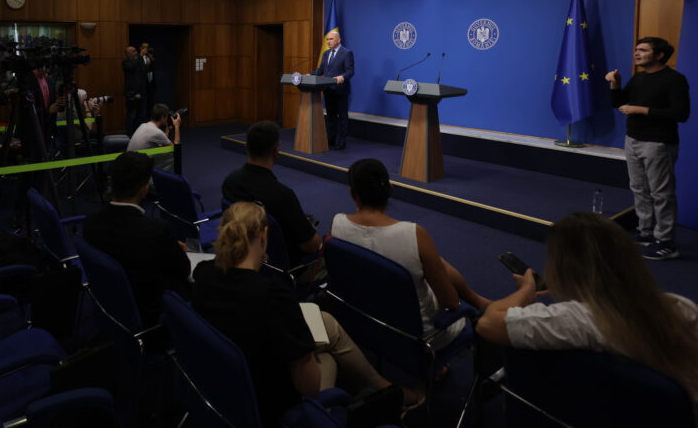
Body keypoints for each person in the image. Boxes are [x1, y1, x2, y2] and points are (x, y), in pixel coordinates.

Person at [477, 212, 698, 427]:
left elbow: (488, 323)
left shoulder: (580, 318)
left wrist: (526, 290)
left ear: (561, 268)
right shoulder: (680, 307)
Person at [192, 202, 416, 427]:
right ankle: (379, 394)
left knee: (327, 323)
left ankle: (379, 386)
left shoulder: (204, 274)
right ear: (264, 236)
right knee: (327, 359)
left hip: (228, 386)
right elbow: (309, 387)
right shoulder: (272, 295)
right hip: (270, 406)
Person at [330, 158, 490, 351]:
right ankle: (478, 302)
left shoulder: (337, 224)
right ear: (390, 190)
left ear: (352, 193)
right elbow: (451, 302)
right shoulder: (414, 234)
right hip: (417, 337)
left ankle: (478, 300)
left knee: (429, 262)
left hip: (363, 320)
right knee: (435, 263)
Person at [606, 36, 690, 260]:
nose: (637, 53)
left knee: (661, 194)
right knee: (638, 189)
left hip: (658, 143)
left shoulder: (675, 79)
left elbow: (681, 113)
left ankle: (666, 242)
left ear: (659, 55)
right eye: (637, 49)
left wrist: (641, 110)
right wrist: (615, 84)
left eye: (643, 50)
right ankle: (646, 232)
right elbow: (617, 103)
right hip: (633, 139)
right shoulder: (638, 78)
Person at [82, 151, 191, 323]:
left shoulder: (89, 223)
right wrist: (175, 249)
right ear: (144, 190)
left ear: (111, 181)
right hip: (150, 315)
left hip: (111, 309)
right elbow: (183, 271)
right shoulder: (157, 231)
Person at [222, 121, 320, 270]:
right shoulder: (283, 196)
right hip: (281, 270)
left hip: (238, 257)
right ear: (276, 152)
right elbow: (311, 246)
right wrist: (311, 231)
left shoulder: (230, 181)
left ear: (246, 147)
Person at [312, 31, 355, 150]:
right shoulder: (326, 53)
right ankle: (331, 139)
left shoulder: (346, 53)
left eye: (331, 39)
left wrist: (342, 76)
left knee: (342, 117)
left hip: (340, 90)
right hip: (328, 90)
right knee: (330, 116)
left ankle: (341, 141)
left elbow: (350, 71)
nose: (328, 41)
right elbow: (321, 70)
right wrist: (309, 75)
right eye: (327, 39)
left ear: (338, 40)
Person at [127, 103, 181, 171]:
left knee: (159, 148)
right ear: (162, 117)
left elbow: (162, 141)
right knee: (174, 156)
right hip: (137, 169)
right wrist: (177, 126)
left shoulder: (143, 125)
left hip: (129, 163)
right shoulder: (157, 132)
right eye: (167, 116)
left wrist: (167, 130)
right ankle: (155, 176)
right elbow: (176, 149)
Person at [122, 45, 148, 136]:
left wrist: (144, 59)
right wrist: (141, 56)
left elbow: (145, 70)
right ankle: (129, 136)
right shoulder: (125, 63)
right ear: (128, 54)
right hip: (131, 94)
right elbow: (132, 67)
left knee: (141, 116)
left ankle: (139, 135)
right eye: (133, 51)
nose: (136, 52)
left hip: (142, 93)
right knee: (131, 116)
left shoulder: (139, 61)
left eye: (136, 50)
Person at [140, 41, 156, 107]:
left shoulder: (150, 57)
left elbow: (153, 69)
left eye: (147, 47)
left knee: (150, 103)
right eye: (144, 47)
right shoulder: (138, 57)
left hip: (150, 84)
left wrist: (151, 59)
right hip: (141, 84)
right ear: (140, 48)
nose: (146, 49)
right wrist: (141, 55)